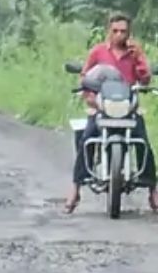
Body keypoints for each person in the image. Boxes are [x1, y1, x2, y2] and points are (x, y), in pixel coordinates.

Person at [65, 12, 158, 213]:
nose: (119, 35)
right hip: (102, 107)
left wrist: (139, 61)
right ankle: (75, 188)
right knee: (87, 140)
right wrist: (89, 97)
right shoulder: (98, 52)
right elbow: (85, 77)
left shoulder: (135, 52)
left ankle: (153, 190)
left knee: (143, 142)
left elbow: (145, 80)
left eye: (123, 31)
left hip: (128, 108)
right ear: (109, 31)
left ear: (129, 32)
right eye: (115, 31)